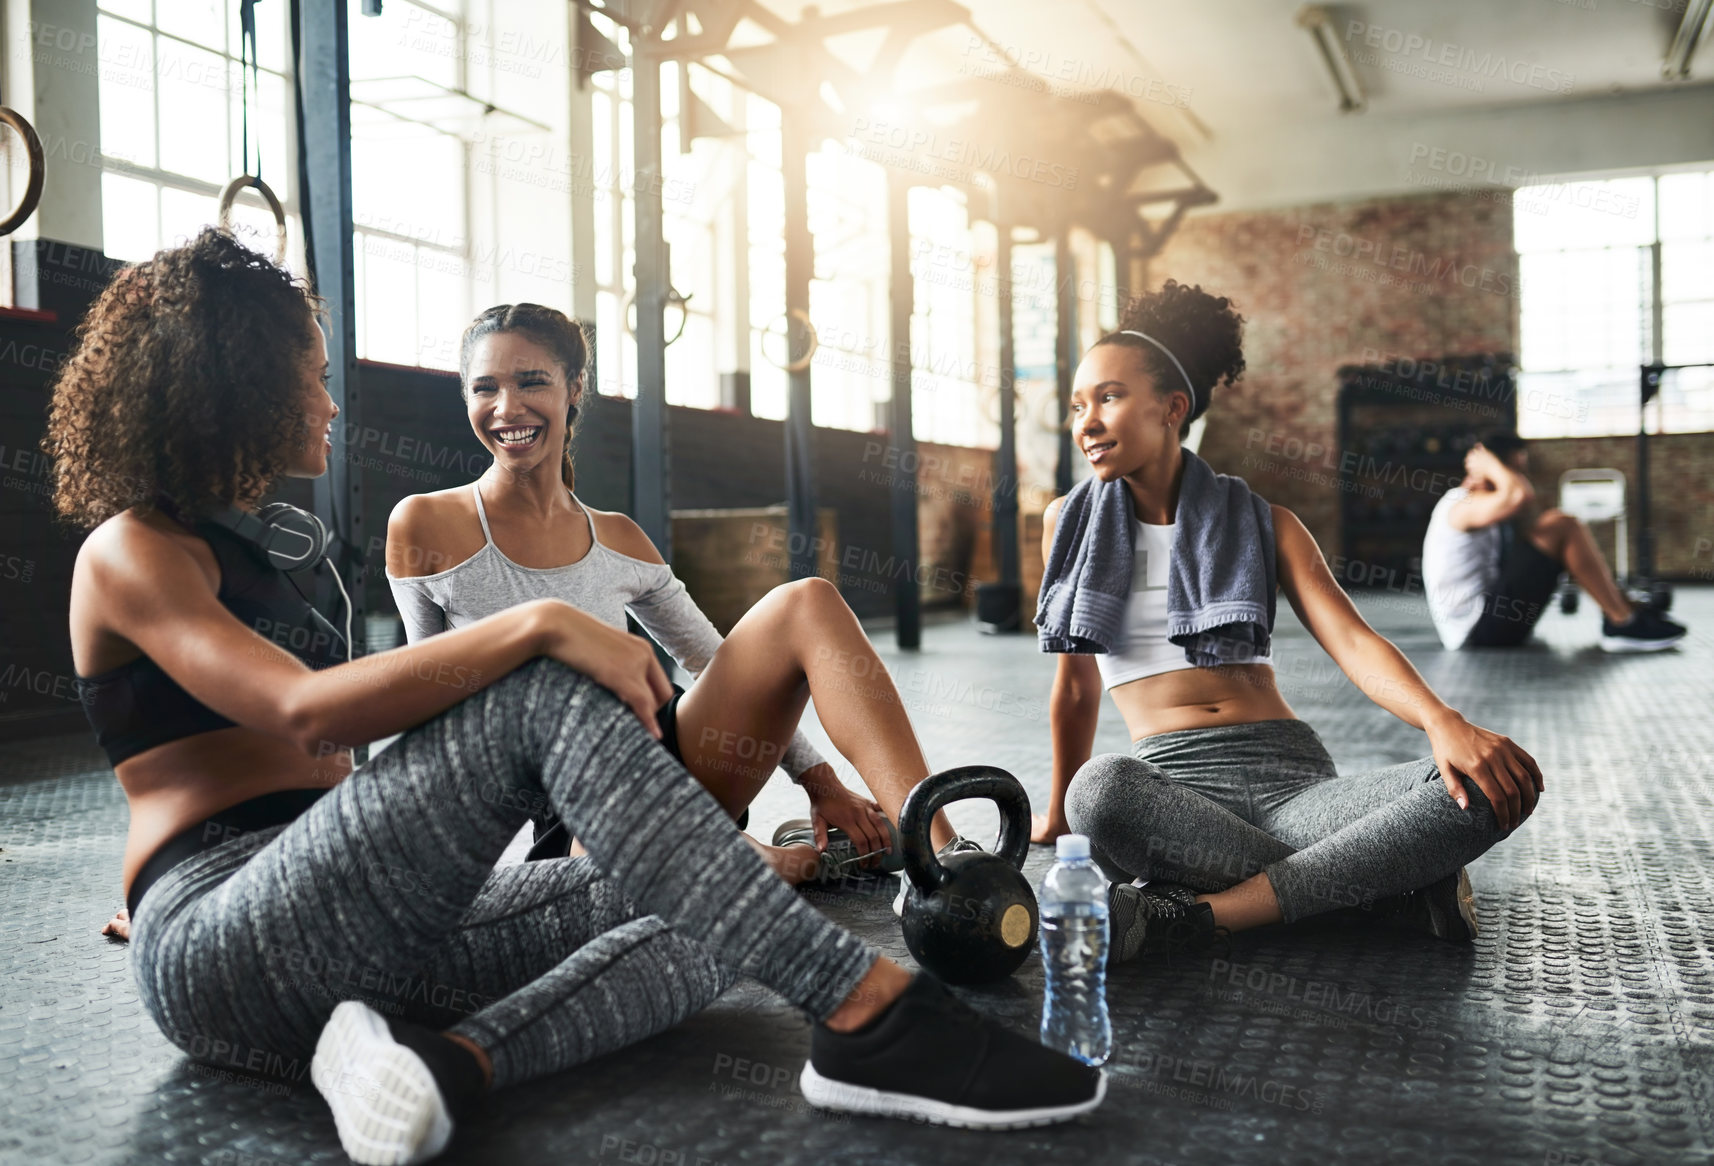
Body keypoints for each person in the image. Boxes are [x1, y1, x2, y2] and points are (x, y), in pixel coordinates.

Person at [51, 230, 1102, 1165]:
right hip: (225, 945)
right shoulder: (130, 550)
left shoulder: (271, 547)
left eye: (533, 382)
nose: (331, 402)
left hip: (361, 926)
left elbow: (345, 771)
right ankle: (872, 1015)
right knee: (539, 680)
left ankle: (452, 1064)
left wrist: (808, 771)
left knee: (704, 906)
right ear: (235, 389)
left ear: (572, 391)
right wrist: (541, 622)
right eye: (313, 381)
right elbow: (301, 711)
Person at [1029, 280, 1544, 963]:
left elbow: (1355, 641)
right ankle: (1383, 883)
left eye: (1109, 397)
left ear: (1172, 407)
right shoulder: (1068, 525)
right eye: (1076, 405)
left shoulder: (1266, 522)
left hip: (1294, 780)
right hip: (1176, 788)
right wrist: (1059, 805)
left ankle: (1200, 914)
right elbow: (1075, 686)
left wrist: (1441, 719)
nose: (1085, 422)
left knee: (1494, 779)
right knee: (1100, 792)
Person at [386, 303, 966, 885]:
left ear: (574, 388)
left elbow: (711, 659)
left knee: (807, 601)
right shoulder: (425, 524)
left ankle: (945, 851)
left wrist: (824, 785)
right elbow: (424, 697)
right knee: (606, 848)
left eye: (532, 381)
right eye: (485, 388)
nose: (507, 408)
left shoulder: (618, 537)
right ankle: (755, 859)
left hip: (669, 758)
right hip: (580, 808)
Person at [1421, 433, 1686, 653]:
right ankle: (1621, 622)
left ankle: (1624, 610)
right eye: (1515, 471)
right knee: (1563, 525)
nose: (1521, 478)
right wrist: (1491, 467)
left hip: (1493, 622)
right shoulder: (1462, 503)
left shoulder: (1486, 511)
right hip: (1479, 632)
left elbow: (1534, 539)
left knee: (1555, 528)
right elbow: (1519, 496)